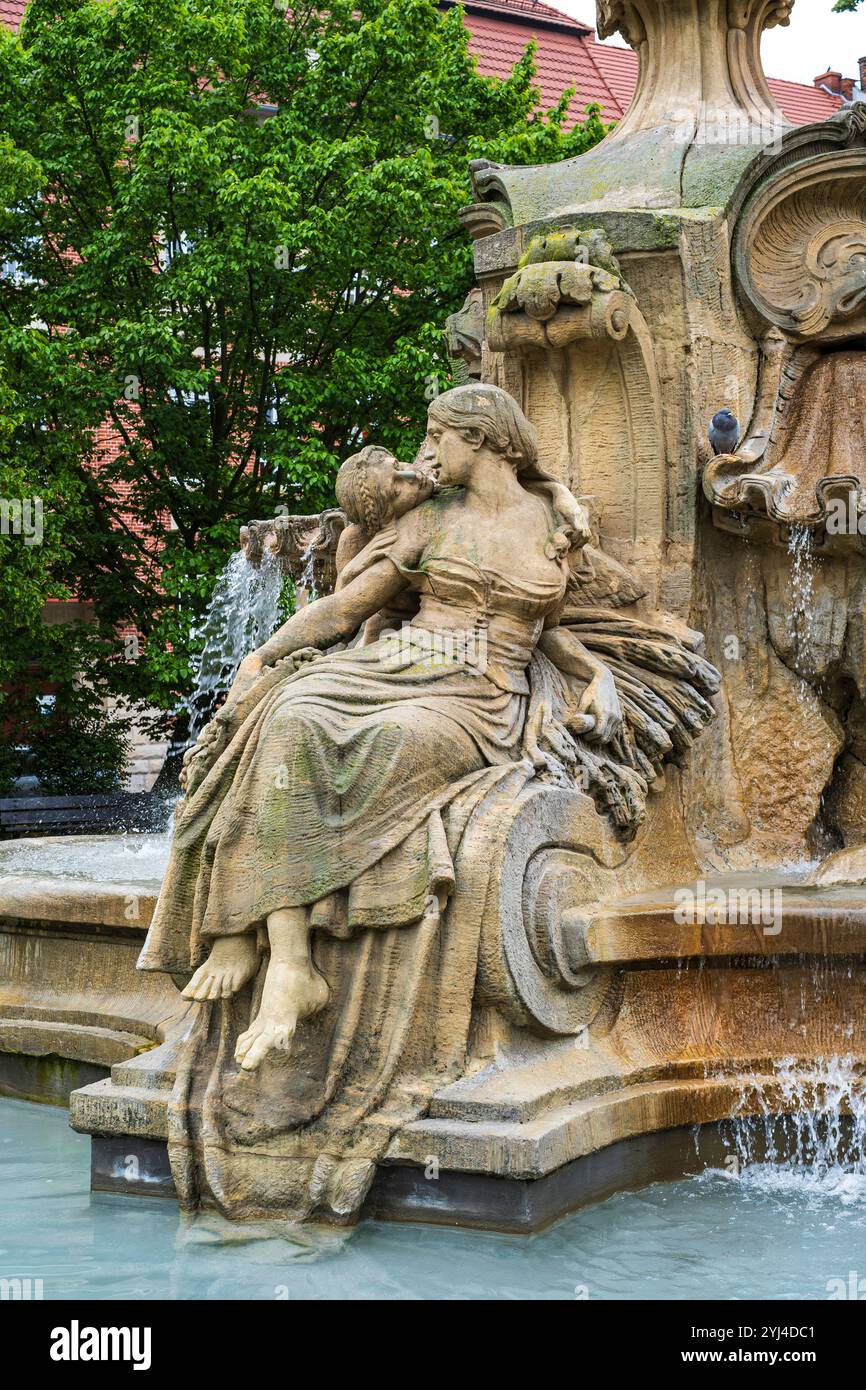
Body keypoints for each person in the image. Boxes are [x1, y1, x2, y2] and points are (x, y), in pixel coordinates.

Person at [140, 384, 623, 1074]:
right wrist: (265, 653)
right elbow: (344, 610)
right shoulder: (433, 515)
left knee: (393, 739)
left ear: (480, 439)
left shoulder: (553, 520)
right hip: (400, 659)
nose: (428, 451)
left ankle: (259, 936)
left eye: (439, 435)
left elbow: (547, 632)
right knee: (292, 713)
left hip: (481, 693)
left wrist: (595, 675)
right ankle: (290, 962)